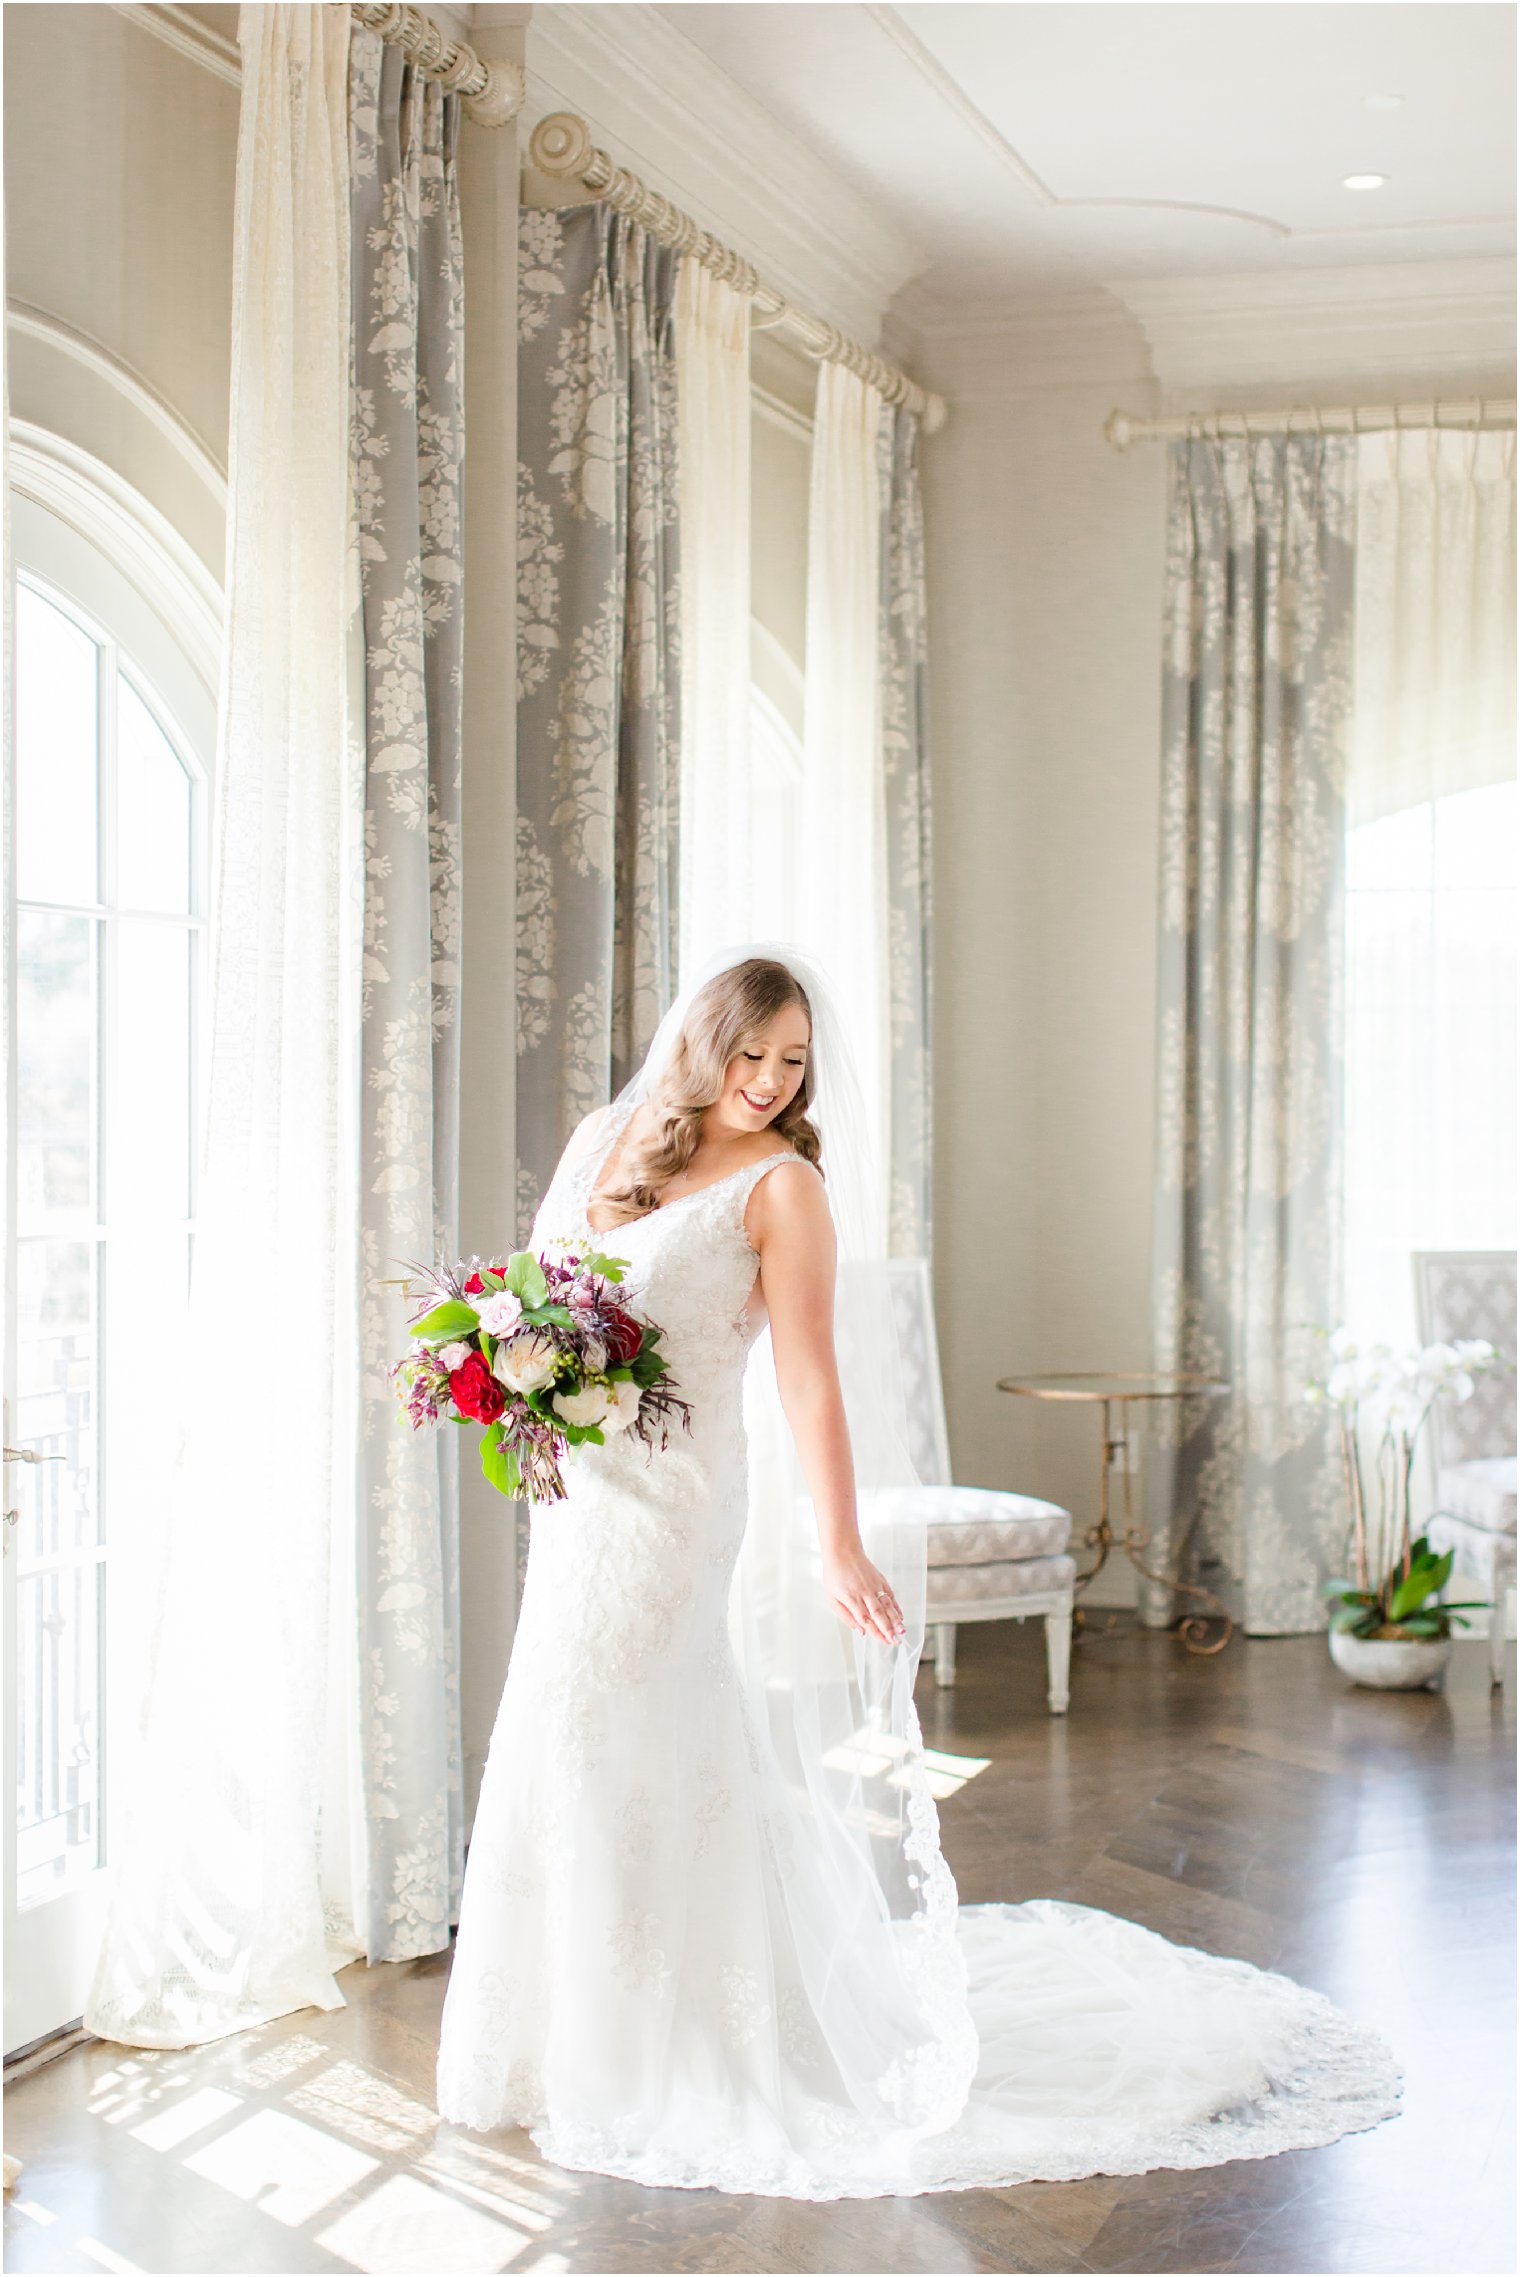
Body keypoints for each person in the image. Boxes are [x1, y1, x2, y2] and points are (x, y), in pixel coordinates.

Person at [436, 943, 1400, 2197]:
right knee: (558, 1729)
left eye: (791, 1063)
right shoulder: (595, 1143)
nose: (769, 1082)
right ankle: (551, 2029)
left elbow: (808, 1379)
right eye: (749, 1055)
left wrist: (837, 1541)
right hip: (580, 1494)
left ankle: (679, 2028)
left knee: (630, 1717)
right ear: (700, 1042)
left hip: (677, 1505)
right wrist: (525, 1388)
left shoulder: (784, 1188)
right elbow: (538, 1297)